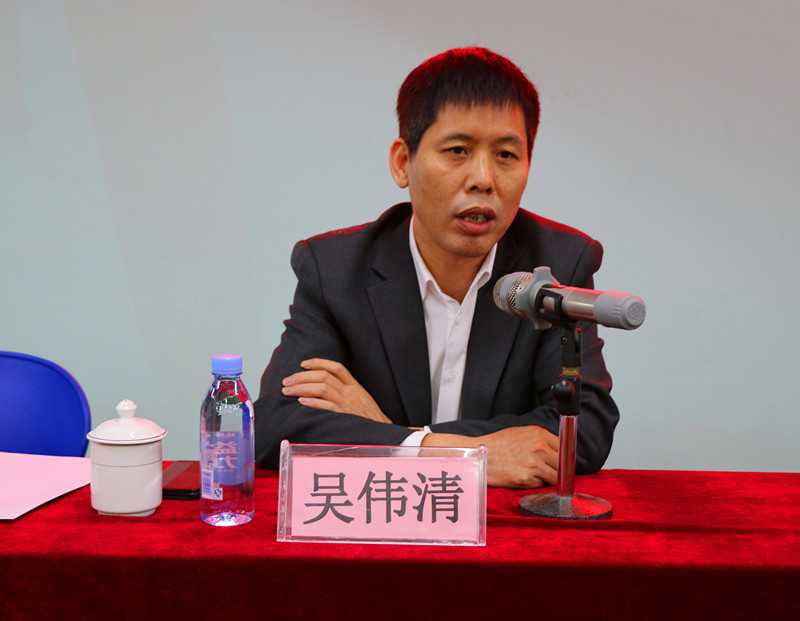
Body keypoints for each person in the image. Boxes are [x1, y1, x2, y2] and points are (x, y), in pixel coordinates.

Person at [253, 47, 618, 489]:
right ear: (402, 163)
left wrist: (391, 435)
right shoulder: (336, 269)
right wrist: (434, 449)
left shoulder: (559, 265)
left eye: (506, 155)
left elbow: (585, 429)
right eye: (458, 150)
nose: (483, 178)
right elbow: (276, 425)